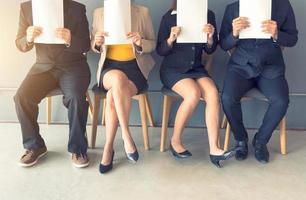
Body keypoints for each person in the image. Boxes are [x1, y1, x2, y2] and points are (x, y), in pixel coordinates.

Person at [156, 0, 234, 168]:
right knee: (193, 94)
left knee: (213, 93)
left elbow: (211, 50)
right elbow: (160, 50)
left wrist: (210, 37)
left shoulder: (208, 15)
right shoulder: (169, 17)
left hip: (196, 69)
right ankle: (175, 141)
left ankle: (215, 149)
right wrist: (170, 39)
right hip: (172, 70)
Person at [14, 0, 91, 168]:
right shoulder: (26, 7)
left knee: (76, 98)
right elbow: (20, 43)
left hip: (73, 66)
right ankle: (34, 146)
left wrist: (71, 39)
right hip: (43, 67)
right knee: (21, 97)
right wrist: (28, 38)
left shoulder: (77, 8)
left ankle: (78, 149)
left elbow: (86, 44)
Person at [220, 0, 298, 164]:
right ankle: (240, 139)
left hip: (271, 67)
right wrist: (234, 33)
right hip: (240, 66)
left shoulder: (283, 6)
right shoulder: (233, 8)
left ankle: (261, 141)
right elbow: (223, 44)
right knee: (227, 97)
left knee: (281, 101)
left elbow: (292, 39)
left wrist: (277, 34)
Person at [91, 1, 156, 174]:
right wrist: (97, 42)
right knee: (118, 79)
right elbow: (94, 46)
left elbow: (153, 44)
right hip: (109, 68)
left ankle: (108, 148)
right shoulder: (99, 12)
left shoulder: (142, 12)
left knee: (113, 94)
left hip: (135, 68)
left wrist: (140, 41)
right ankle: (127, 136)